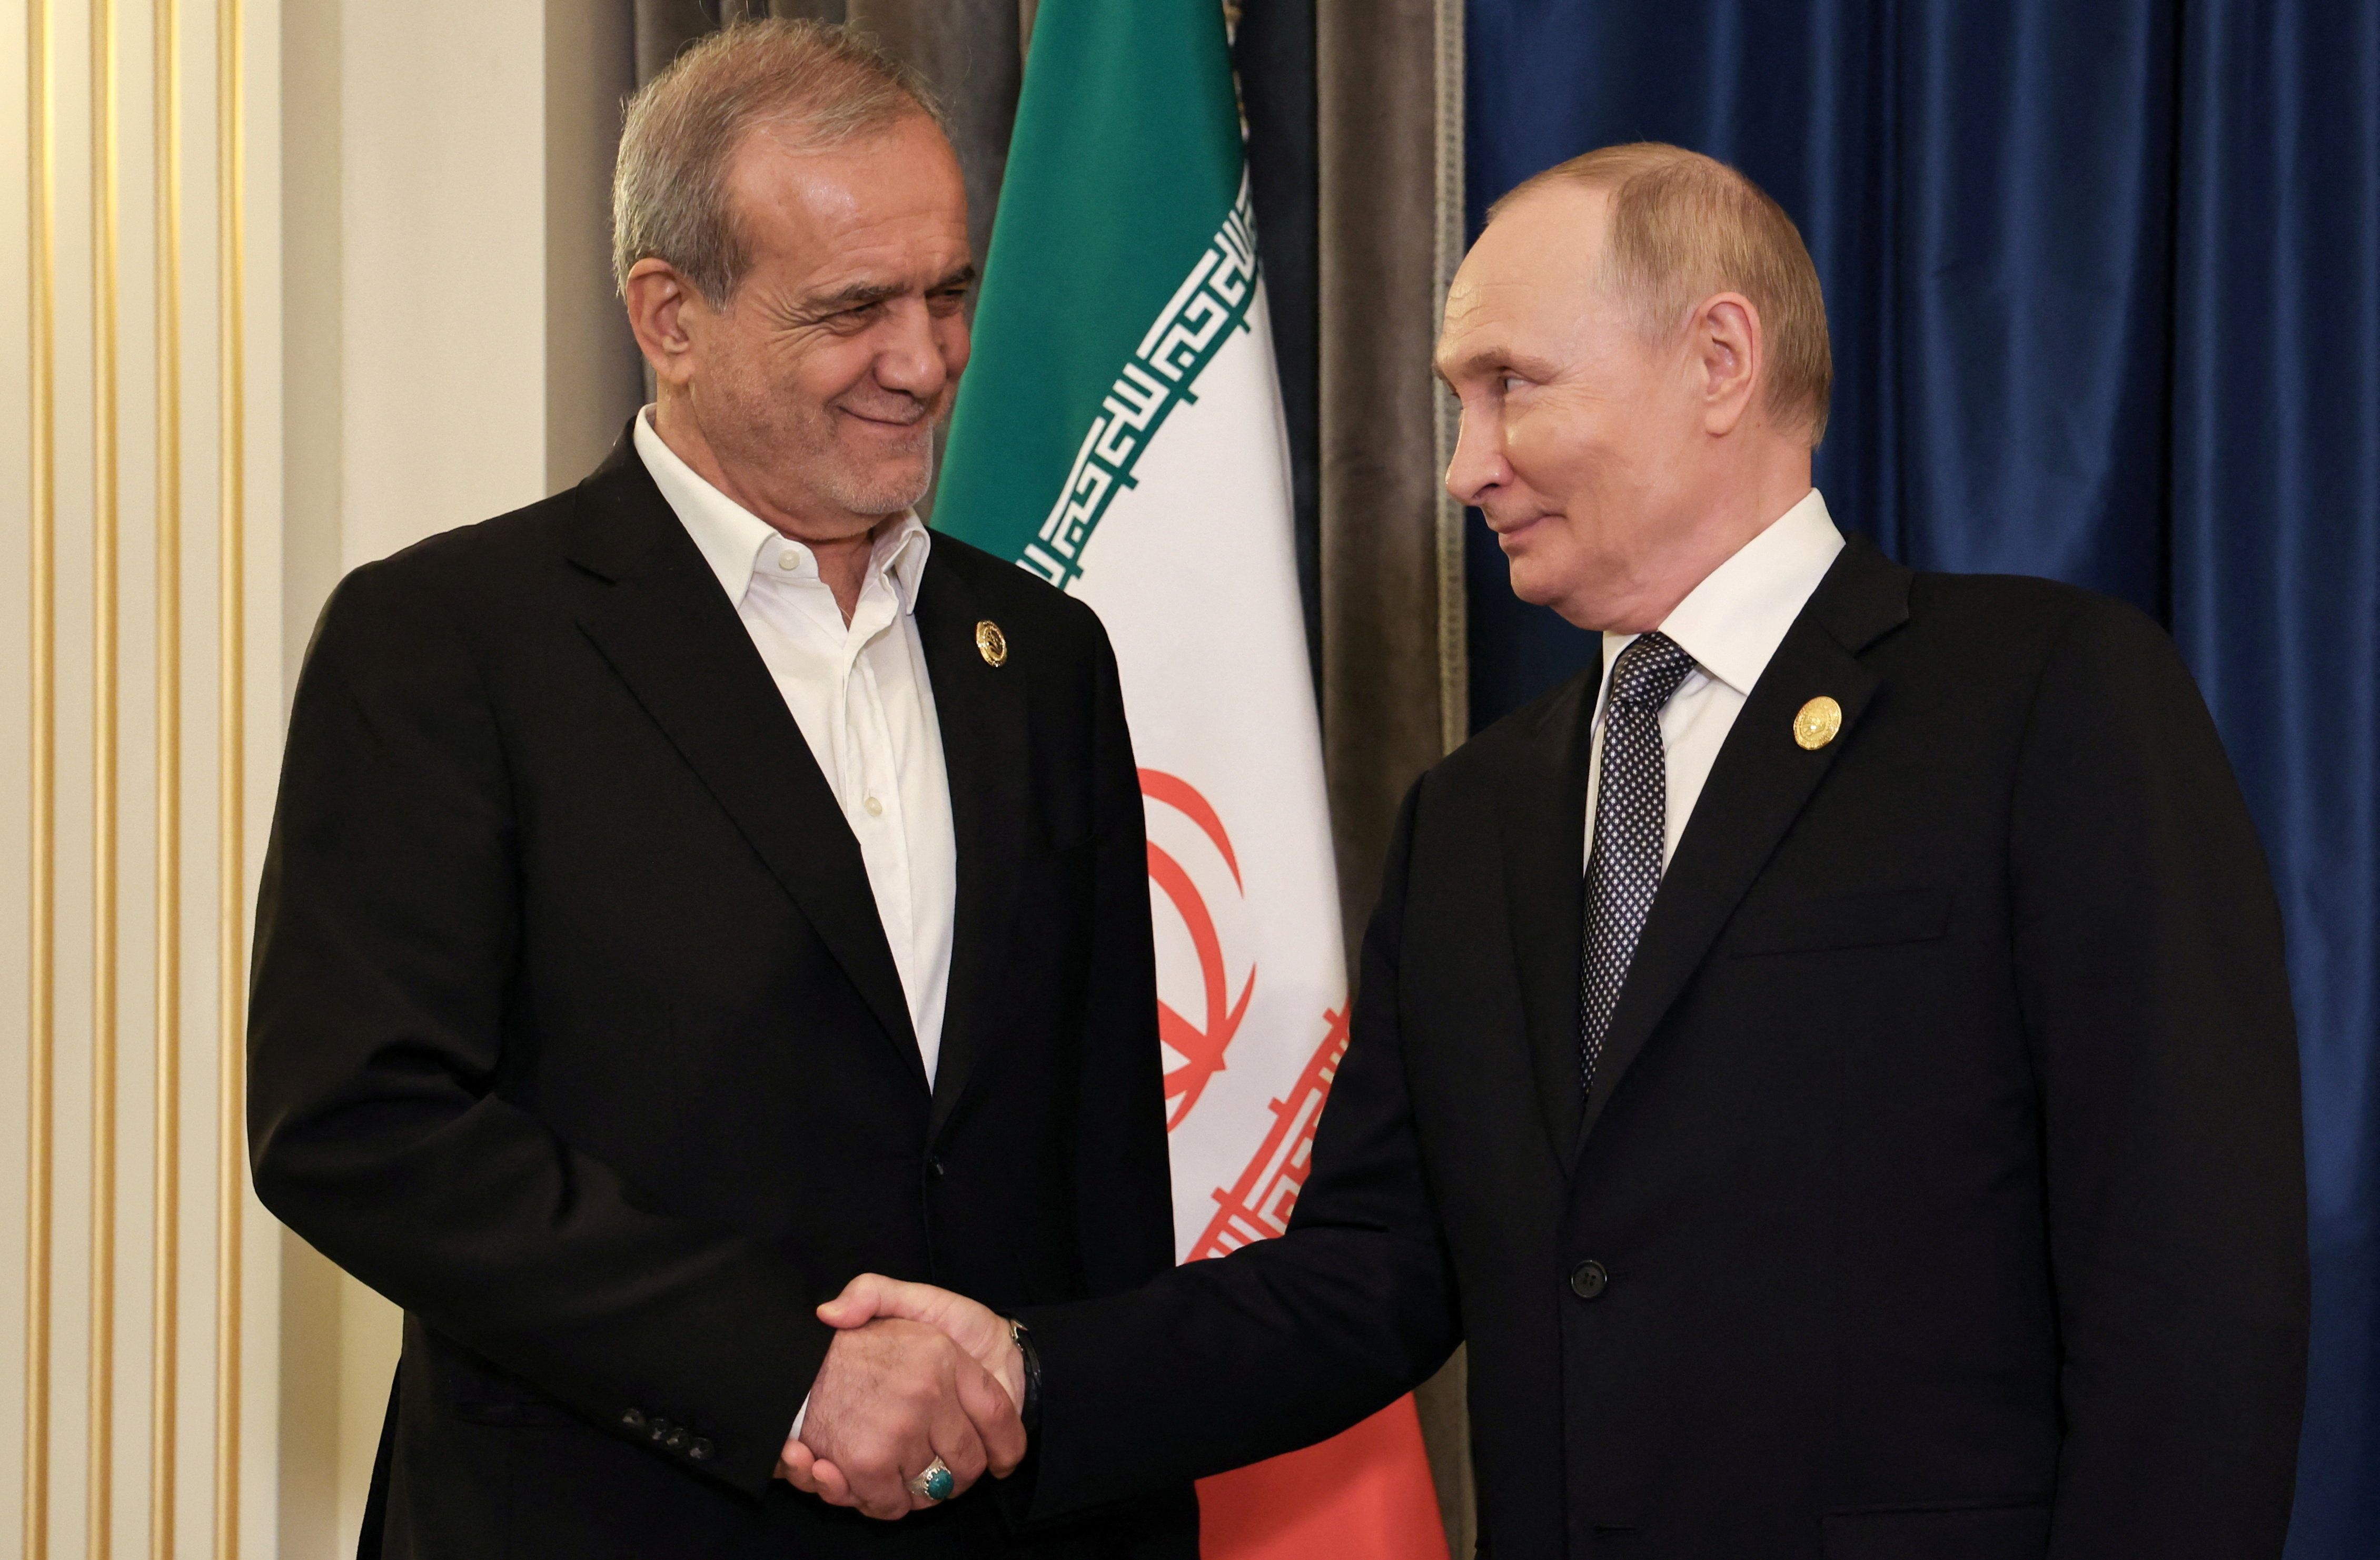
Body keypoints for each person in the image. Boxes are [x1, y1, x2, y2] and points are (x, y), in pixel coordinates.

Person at [801, 143, 2312, 1557]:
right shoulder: (1474, 817)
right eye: (1462, 402)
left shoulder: (2043, 698)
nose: (1466, 465)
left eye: (1511, 386)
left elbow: (2192, 1283)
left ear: (1720, 363)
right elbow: (1368, 1277)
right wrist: (1028, 1362)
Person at [247, 20, 1191, 1558]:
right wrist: (787, 1375)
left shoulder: (1046, 659)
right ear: (669, 315)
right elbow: (357, 1121)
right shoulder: (448, 642)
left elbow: (1096, 1172)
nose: (928, 357)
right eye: (853, 308)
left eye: (948, 291)